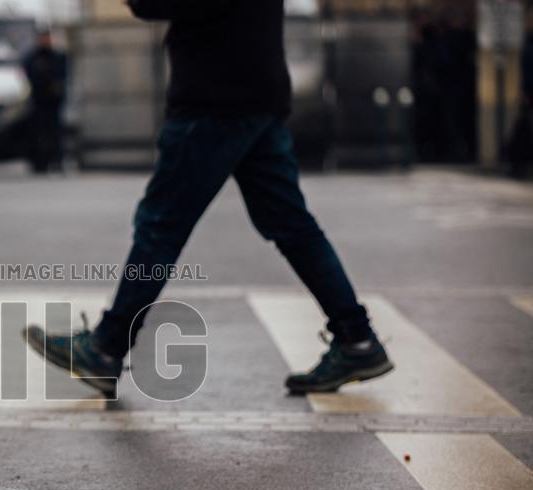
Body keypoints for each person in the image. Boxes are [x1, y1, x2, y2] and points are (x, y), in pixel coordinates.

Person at [24, 0, 393, 398]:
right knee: (293, 226)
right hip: (257, 94)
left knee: (160, 227)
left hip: (213, 102)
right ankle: (357, 339)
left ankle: (106, 347)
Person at [23, 30, 67, 172]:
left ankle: (57, 161)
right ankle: (40, 163)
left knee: (55, 133)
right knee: (38, 134)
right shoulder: (33, 58)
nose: (45, 41)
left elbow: (61, 78)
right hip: (38, 102)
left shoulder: (58, 57)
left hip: (53, 103)